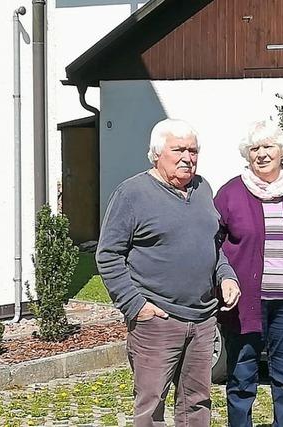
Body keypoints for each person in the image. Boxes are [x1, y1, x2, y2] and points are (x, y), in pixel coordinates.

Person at [96, 118, 241, 427]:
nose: (188, 157)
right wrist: (136, 306)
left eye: (193, 150)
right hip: (157, 321)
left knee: (197, 404)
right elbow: (108, 256)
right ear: (157, 153)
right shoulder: (132, 193)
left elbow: (213, 246)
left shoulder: (203, 188)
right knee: (151, 407)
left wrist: (226, 275)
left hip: (203, 320)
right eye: (179, 150)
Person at [214, 119, 283, 427]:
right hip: (246, 302)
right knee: (241, 376)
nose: (262, 154)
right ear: (246, 154)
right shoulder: (230, 193)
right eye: (254, 148)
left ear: (281, 151)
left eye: (268, 147)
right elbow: (216, 242)